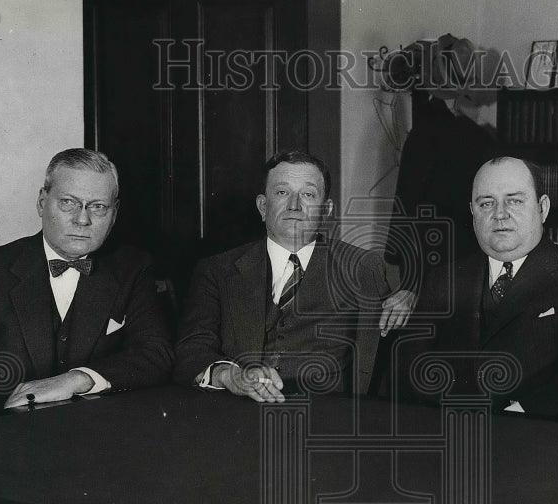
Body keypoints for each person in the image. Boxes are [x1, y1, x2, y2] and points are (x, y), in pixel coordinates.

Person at [0, 148, 173, 420]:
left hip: (101, 439)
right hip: (8, 443)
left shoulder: (132, 267)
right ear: (41, 202)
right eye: (68, 203)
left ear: (114, 213)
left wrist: (77, 379)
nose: (82, 220)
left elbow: (157, 354)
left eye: (97, 206)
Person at [173, 150, 414, 402]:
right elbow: (190, 351)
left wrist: (411, 298)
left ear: (326, 209)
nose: (294, 206)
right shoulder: (217, 271)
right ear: (263, 206)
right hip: (238, 416)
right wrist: (228, 376)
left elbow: (395, 334)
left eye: (308, 194)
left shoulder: (362, 267)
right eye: (282, 192)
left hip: (328, 420)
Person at [402, 156, 558, 417]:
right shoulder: (442, 279)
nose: (500, 214)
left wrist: (514, 419)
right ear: (472, 211)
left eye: (514, 201)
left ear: (543, 208)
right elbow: (414, 369)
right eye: (487, 203)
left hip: (539, 439)